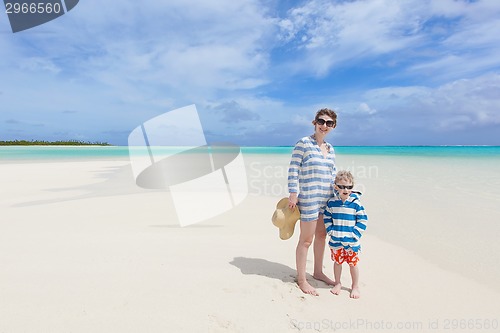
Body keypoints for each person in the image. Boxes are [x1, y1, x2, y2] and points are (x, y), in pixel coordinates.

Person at [287, 108, 338, 296]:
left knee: (322, 237)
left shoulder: (330, 149)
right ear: (314, 122)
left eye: (329, 123)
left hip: (326, 199)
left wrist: (341, 194)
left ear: (333, 126)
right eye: (321, 121)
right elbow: (293, 169)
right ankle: (302, 280)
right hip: (308, 198)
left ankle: (318, 272)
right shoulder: (303, 143)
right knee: (306, 240)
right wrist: (293, 193)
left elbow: (333, 174)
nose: (324, 125)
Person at [323, 170, 368, 299]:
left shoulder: (356, 203)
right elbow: (327, 216)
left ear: (352, 188)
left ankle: (355, 286)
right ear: (336, 187)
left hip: (351, 242)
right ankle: (337, 283)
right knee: (338, 263)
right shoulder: (332, 202)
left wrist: (355, 235)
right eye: (342, 187)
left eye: (349, 187)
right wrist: (330, 230)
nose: (345, 190)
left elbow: (363, 219)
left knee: (353, 264)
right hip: (336, 241)